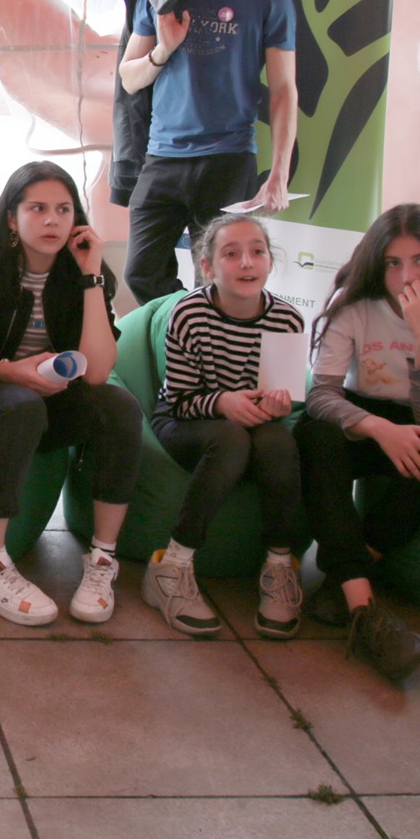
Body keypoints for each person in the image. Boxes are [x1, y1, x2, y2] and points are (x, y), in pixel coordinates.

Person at [297, 203, 420, 683]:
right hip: (360, 415)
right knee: (314, 434)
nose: (408, 276)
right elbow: (322, 397)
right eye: (394, 263)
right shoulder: (353, 303)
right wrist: (377, 428)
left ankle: (345, 575)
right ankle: (363, 606)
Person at [0, 162, 143, 626]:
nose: (53, 220)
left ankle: (102, 559)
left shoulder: (83, 273)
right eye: (37, 208)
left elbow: (97, 373)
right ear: (11, 218)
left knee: (119, 407)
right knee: (23, 405)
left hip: (51, 399)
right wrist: (7, 372)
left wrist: (91, 276)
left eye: (63, 209)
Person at [115, 0, 298, 304]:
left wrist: (278, 173)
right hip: (162, 156)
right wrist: (163, 50)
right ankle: (183, 328)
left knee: (220, 283)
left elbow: (284, 90)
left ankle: (204, 331)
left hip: (228, 159)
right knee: (140, 274)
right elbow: (129, 77)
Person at [146, 216, 306, 639]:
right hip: (185, 417)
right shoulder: (189, 313)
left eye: (257, 252)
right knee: (231, 439)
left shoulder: (287, 320)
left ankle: (279, 565)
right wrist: (222, 403)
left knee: (278, 443)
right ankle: (173, 564)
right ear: (208, 266)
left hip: (250, 421)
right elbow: (180, 400)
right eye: (232, 254)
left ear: (270, 262)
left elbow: (285, 402)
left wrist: (275, 406)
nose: (247, 262)